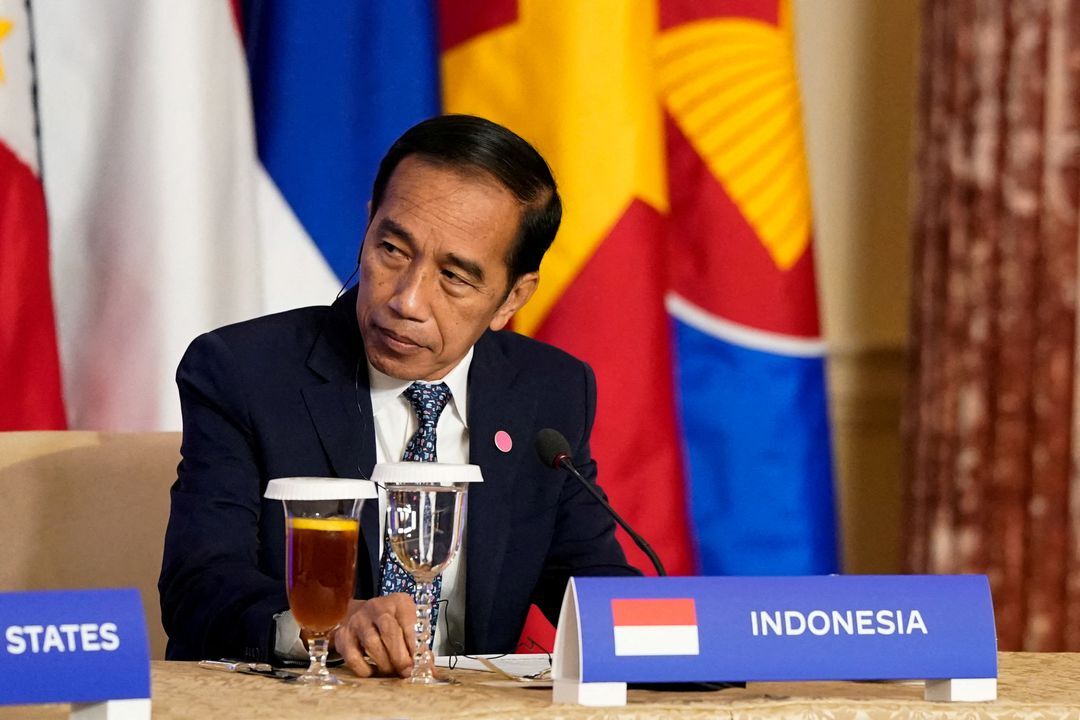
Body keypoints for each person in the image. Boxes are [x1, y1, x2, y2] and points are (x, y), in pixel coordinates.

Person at [158, 114, 639, 678]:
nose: (407, 300)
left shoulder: (548, 392)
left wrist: (702, 632)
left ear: (512, 298)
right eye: (392, 249)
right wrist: (328, 625)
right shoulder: (245, 373)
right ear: (367, 228)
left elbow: (589, 587)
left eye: (455, 277)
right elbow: (200, 587)